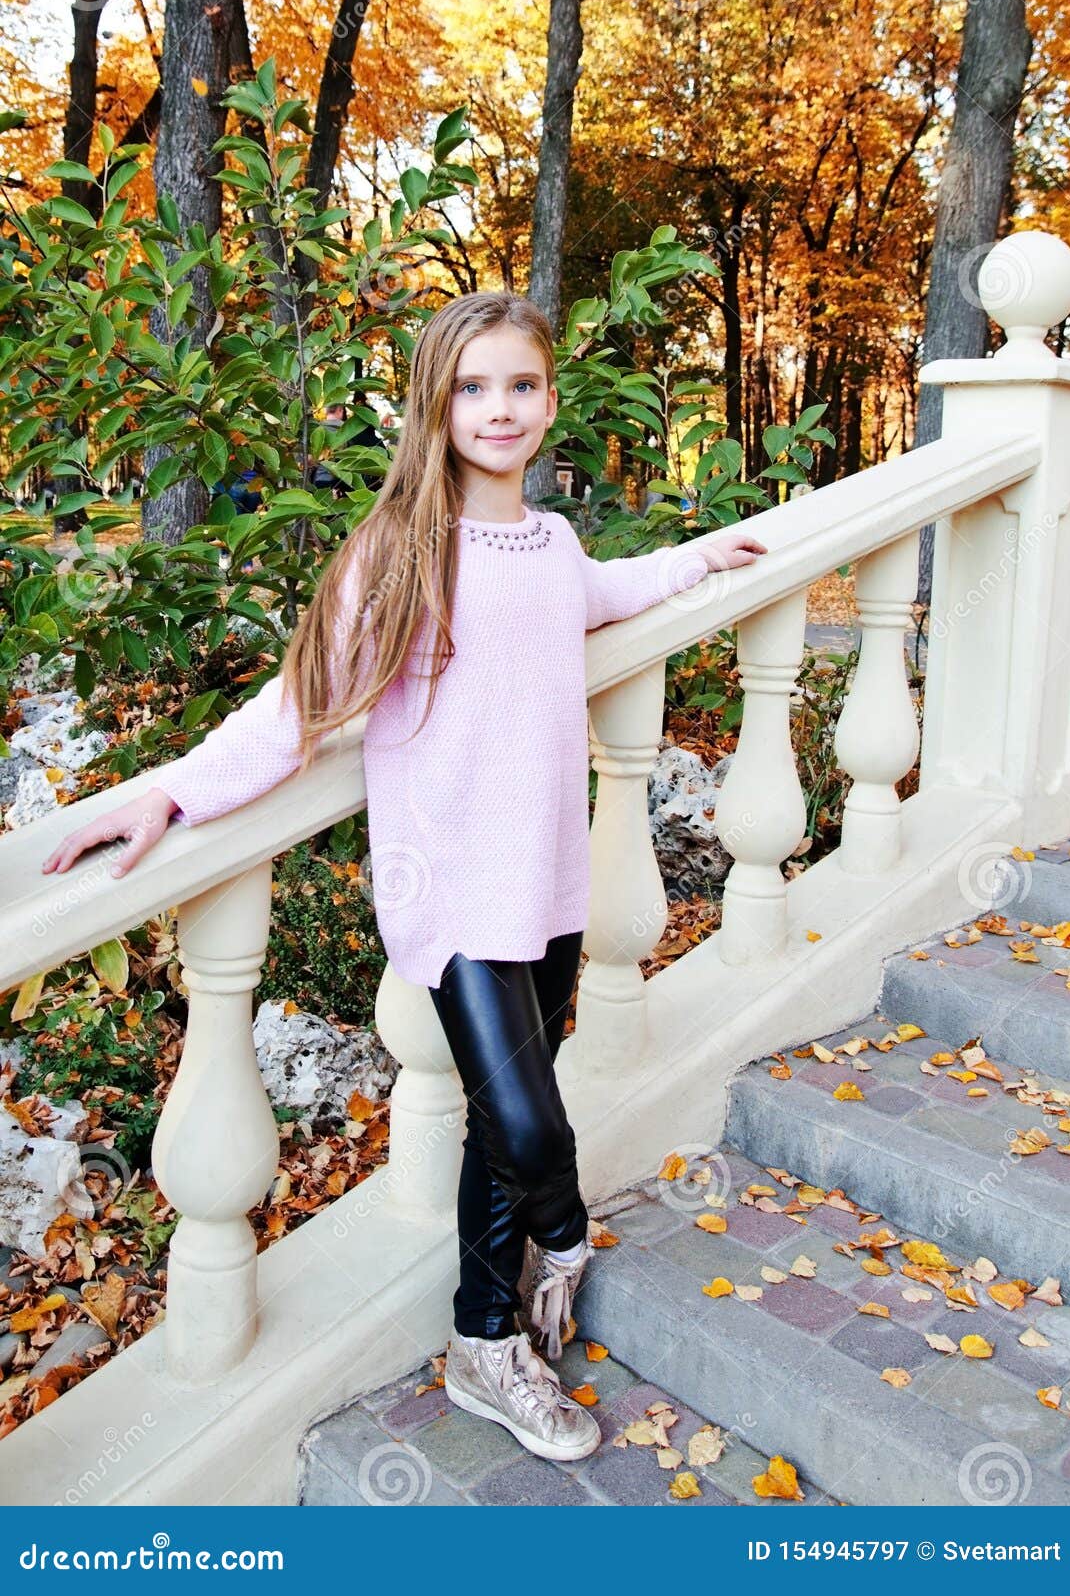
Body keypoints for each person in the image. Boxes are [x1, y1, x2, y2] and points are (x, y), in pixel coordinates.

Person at [40, 291, 767, 1465]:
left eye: (519, 386)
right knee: (531, 1127)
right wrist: (169, 786)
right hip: (450, 889)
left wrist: (700, 556)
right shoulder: (399, 551)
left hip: (549, 878)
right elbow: (295, 712)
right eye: (472, 387)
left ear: (547, 401)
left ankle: (485, 1343)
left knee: (495, 1118)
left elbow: (611, 592)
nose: (498, 409)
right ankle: (565, 1241)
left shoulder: (554, 543)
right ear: (435, 403)